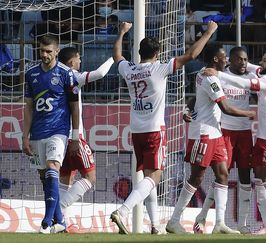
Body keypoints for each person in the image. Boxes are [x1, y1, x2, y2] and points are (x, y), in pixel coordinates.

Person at [109, 20, 218, 234]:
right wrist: (209, 32)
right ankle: (123, 211)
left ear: (139, 52)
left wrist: (122, 33)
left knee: (149, 177)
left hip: (137, 130)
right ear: (157, 53)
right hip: (154, 130)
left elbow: (117, 57)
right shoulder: (159, 69)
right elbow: (191, 55)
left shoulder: (129, 70)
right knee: (154, 177)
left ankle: (155, 225)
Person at [165, 43, 256, 234]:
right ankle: (174, 221)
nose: (227, 60)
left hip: (216, 133)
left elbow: (196, 100)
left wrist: (188, 108)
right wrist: (248, 113)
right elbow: (226, 109)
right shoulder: (210, 79)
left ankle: (220, 223)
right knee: (196, 178)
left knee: (222, 174)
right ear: (216, 59)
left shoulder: (206, 73)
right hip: (203, 134)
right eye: (224, 57)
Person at [204, 49, 266, 234]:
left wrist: (220, 73)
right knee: (260, 179)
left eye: (265, 61)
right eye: (261, 60)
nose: (260, 63)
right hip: (263, 136)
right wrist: (234, 63)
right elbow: (250, 69)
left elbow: (245, 83)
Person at [22, 34, 80, 233]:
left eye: (48, 51)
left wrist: (75, 135)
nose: (44, 54)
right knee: (44, 178)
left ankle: (46, 221)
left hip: (58, 130)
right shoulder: (31, 74)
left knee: (52, 168)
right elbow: (29, 107)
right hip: (37, 132)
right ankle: (60, 221)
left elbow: (75, 107)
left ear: (56, 51)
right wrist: (25, 136)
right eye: (42, 51)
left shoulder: (67, 74)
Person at [57, 47, 114, 233]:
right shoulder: (72, 76)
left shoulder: (54, 77)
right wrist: (114, 57)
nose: (80, 62)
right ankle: (57, 213)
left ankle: (61, 224)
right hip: (75, 137)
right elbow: (100, 73)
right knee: (90, 177)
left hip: (58, 137)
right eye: (79, 59)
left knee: (64, 180)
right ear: (71, 63)